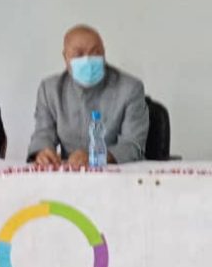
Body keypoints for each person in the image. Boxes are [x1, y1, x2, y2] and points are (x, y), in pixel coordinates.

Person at [28, 25, 149, 167]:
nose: (88, 60)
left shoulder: (130, 88)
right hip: (70, 173)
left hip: (115, 171)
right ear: (65, 57)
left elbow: (133, 144)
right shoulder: (50, 89)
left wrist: (99, 157)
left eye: (96, 53)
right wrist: (43, 153)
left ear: (104, 53)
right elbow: (43, 134)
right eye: (79, 54)